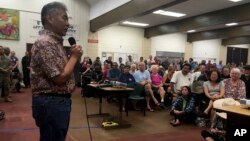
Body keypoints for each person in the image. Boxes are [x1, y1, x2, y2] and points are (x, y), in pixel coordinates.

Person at [30, 2, 82, 141]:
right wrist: (74, 57)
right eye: (64, 18)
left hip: (56, 102)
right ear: (50, 18)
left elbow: (67, 72)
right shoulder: (45, 43)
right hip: (51, 102)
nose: (68, 23)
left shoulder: (56, 43)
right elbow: (59, 78)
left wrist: (75, 59)